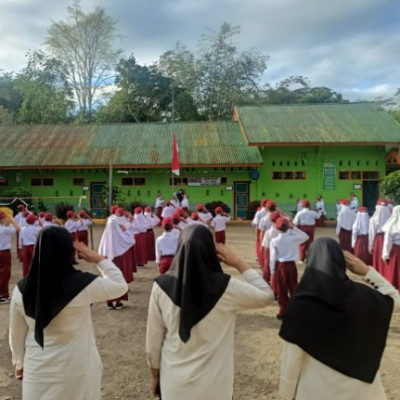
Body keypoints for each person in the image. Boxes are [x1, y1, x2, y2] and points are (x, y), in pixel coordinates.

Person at [146, 224, 274, 400]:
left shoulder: (160, 287)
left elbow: (153, 342)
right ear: (211, 251)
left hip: (175, 382)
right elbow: (266, 295)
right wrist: (237, 262)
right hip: (215, 385)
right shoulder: (227, 287)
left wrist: (155, 376)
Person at [9, 226, 128, 400]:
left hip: (38, 370)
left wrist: (19, 363)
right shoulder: (83, 285)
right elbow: (120, 286)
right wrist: (98, 258)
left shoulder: (21, 290)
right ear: (68, 251)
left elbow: (16, 334)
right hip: (76, 369)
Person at [278, 238, 400, 400]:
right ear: (342, 263)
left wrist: (286, 394)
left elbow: (291, 359)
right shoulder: (363, 297)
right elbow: (394, 299)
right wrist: (367, 271)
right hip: (363, 392)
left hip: (316, 391)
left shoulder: (301, 304)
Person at [270, 218, 309, 320]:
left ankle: (283, 311)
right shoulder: (293, 238)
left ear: (277, 228)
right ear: (288, 228)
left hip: (280, 265)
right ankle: (295, 309)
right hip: (291, 265)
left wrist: (272, 271)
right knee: (293, 286)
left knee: (282, 289)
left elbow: (272, 257)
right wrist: (294, 228)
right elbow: (306, 236)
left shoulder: (274, 240)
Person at [0, 212, 20, 303]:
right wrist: (13, 221)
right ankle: (3, 295)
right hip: (4, 253)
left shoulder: (4, 228)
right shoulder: (4, 229)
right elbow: (18, 229)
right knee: (5, 274)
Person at [369, 200, 391, 274]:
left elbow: (371, 233)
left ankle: (379, 271)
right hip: (388, 238)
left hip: (378, 239)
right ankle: (386, 271)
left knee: (378, 255)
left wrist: (370, 246)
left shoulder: (373, 219)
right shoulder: (391, 218)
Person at [381, 205, 400, 291]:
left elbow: (387, 243)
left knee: (394, 270)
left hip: (395, 251)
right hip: (395, 250)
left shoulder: (391, 226)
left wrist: (385, 255)